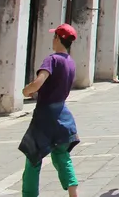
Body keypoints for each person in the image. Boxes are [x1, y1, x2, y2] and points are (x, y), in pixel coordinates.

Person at [19, 23, 80, 197]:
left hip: (45, 117)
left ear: (58, 39)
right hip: (63, 116)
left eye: (54, 37)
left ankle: (29, 195)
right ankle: (73, 192)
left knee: (33, 157)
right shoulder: (70, 62)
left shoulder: (52, 60)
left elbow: (39, 82)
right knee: (62, 156)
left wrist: (26, 90)